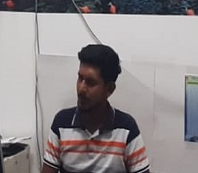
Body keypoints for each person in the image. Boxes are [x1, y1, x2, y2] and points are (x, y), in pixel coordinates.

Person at [42, 44, 149, 173]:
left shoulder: (126, 128)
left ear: (109, 89)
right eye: (80, 78)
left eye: (90, 82)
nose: (81, 88)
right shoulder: (62, 123)